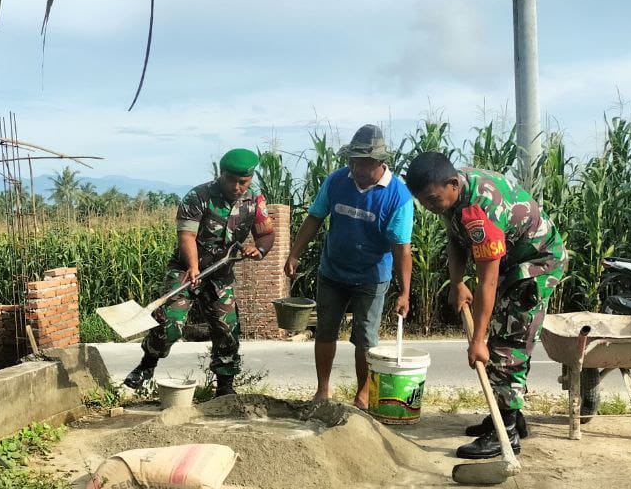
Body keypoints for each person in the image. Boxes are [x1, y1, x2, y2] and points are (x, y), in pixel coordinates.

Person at [403, 152, 568, 459]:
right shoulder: (451, 197)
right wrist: (456, 283)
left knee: (508, 345)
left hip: (535, 266)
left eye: (432, 200)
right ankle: (509, 416)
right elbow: (456, 240)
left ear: (452, 184)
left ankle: (506, 432)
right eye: (423, 201)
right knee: (500, 338)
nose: (428, 207)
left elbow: (487, 282)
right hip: (509, 263)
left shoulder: (483, 210)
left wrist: (477, 340)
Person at [122, 149, 275, 397]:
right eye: (231, 180)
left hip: (220, 275)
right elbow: (187, 236)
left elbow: (266, 234)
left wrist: (259, 250)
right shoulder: (198, 197)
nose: (237, 187)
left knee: (227, 330)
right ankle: (147, 364)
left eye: (243, 182)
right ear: (221, 174)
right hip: (185, 270)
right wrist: (193, 266)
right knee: (170, 322)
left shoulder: (255, 200)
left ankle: (224, 388)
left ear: (250, 179)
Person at [283, 125, 413, 408]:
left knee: (365, 338)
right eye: (352, 162)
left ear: (379, 162)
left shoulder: (398, 196)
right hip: (333, 271)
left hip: (372, 276)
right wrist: (294, 254)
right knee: (325, 330)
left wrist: (405, 292)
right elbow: (314, 217)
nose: (356, 168)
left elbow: (402, 249)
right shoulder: (336, 181)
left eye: (363, 163)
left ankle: (362, 396)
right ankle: (322, 391)